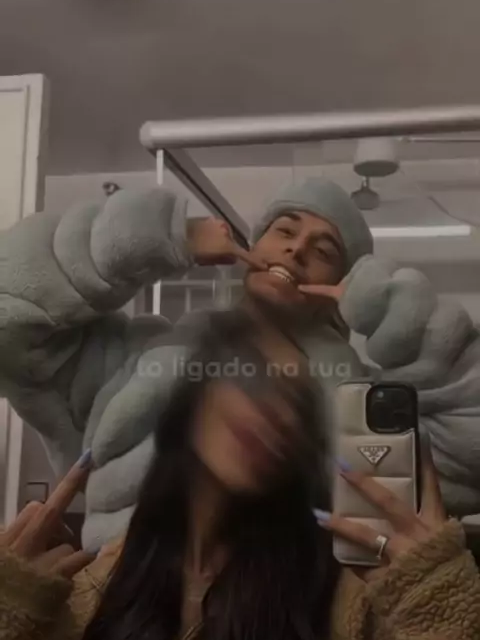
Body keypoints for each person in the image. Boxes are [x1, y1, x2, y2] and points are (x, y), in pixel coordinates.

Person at [1, 310, 480, 640]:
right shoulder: (91, 590)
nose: (279, 411)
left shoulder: (351, 605)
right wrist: (9, 633)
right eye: (251, 373)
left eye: (299, 404)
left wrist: (437, 618)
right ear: (195, 394)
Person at [1, 178, 479, 552]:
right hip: (132, 619)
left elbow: (471, 446)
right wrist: (162, 237)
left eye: (324, 250)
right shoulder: (136, 360)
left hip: (296, 630)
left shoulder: (362, 410)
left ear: (340, 285)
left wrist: (394, 313)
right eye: (285, 231)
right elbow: (10, 317)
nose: (297, 249)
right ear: (255, 246)